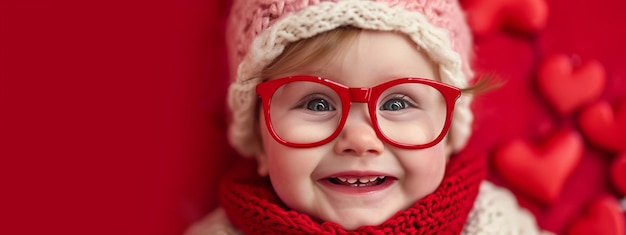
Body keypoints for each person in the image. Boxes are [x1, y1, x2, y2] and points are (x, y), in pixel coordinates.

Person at [187, 0, 548, 234]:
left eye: (396, 104)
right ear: (260, 140)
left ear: (449, 131)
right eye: (316, 104)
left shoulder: (499, 227)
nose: (359, 140)